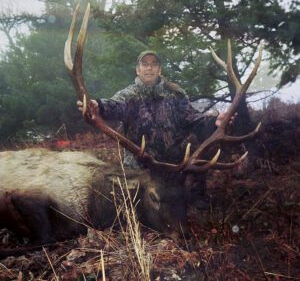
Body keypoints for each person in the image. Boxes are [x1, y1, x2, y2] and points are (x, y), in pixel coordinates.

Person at [77, 50, 227, 207]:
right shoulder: (128, 95)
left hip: (171, 162)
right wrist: (98, 106)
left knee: (198, 150)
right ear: (138, 70)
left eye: (154, 64)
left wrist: (213, 121)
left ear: (159, 70)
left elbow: (193, 118)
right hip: (141, 163)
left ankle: (197, 199)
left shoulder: (175, 95)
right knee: (137, 202)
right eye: (145, 64)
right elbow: (115, 106)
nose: (149, 68)